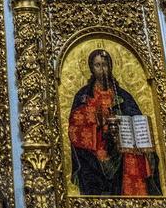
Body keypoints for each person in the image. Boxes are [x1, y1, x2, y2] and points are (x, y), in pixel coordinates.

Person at [69, 48, 161, 196]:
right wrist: (96, 122)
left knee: (141, 156)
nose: (102, 69)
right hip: (95, 149)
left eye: (104, 65)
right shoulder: (84, 96)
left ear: (110, 66)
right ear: (91, 68)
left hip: (122, 145)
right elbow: (75, 127)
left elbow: (135, 120)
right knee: (89, 163)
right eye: (97, 65)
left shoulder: (123, 95)